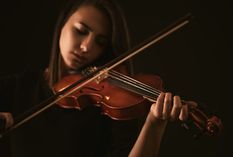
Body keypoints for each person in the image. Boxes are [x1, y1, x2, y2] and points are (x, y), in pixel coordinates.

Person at [0, 0, 193, 156]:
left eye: (100, 42)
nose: (86, 47)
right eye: (81, 31)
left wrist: (154, 123)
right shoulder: (18, 87)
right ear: (63, 22)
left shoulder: (113, 103)